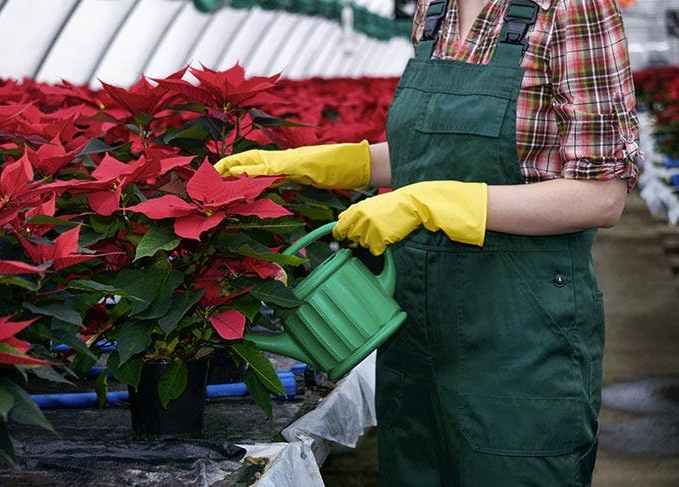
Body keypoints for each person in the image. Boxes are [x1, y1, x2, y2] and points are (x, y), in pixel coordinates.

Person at [215, 0, 640, 484]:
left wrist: (431, 203)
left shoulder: (569, 9)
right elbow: (434, 153)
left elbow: (601, 197)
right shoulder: (433, 11)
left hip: (519, 337)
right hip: (415, 335)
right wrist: (325, 164)